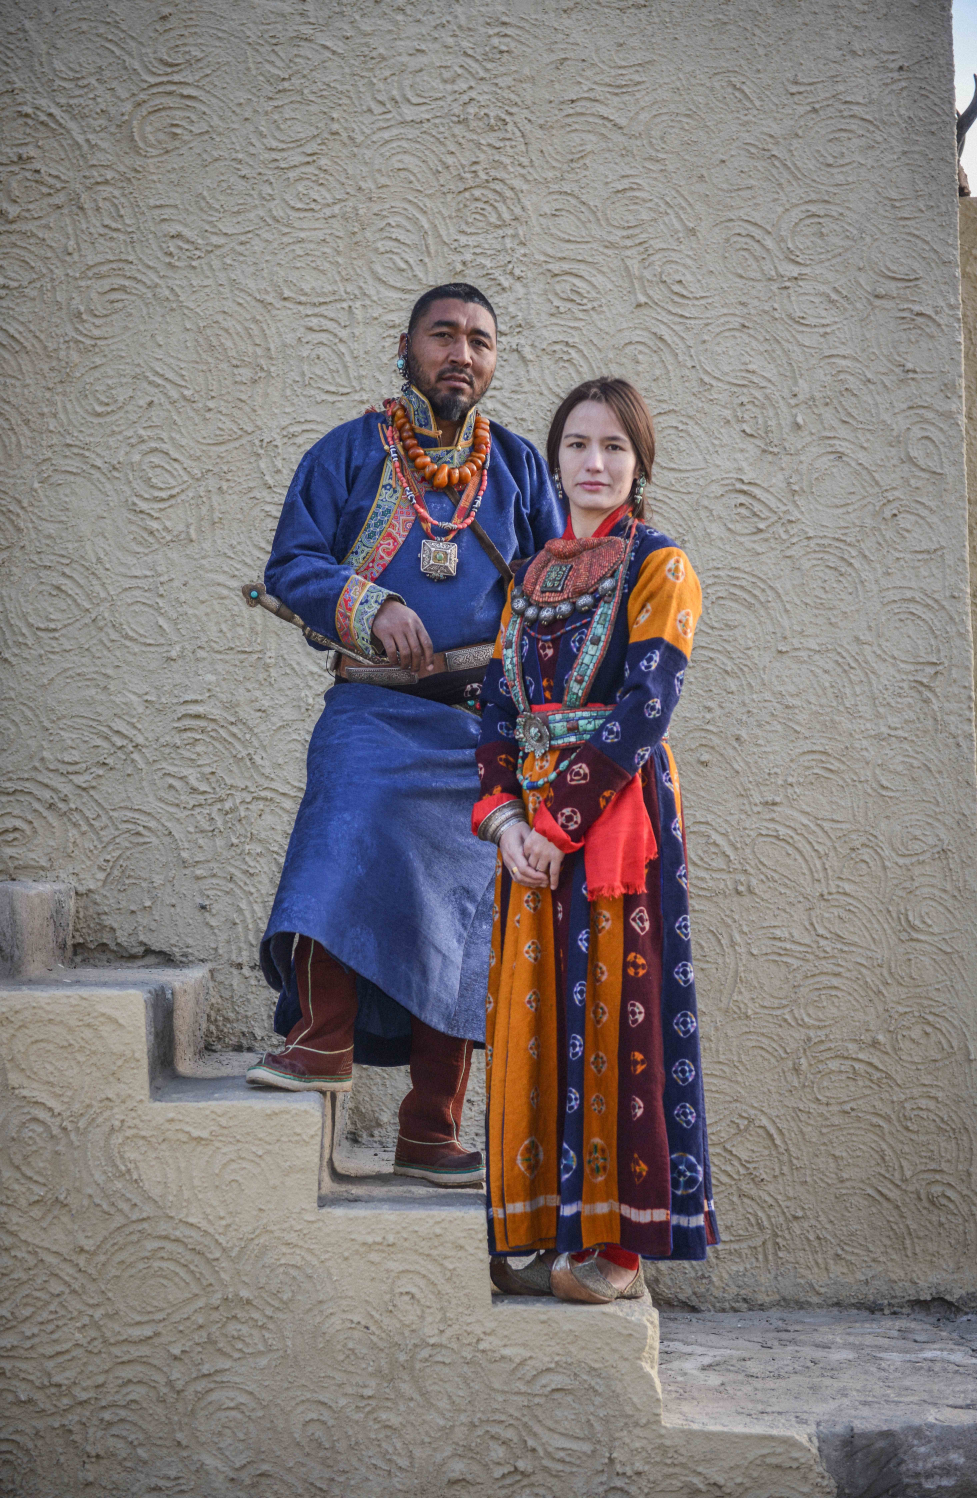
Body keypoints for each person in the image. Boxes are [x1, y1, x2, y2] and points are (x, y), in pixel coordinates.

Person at [247, 283, 563, 1188]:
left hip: (479, 728)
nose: (462, 352)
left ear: (494, 361)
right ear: (405, 347)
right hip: (371, 707)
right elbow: (292, 564)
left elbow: (550, 586)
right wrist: (369, 603)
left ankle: (431, 1129)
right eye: (444, 335)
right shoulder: (347, 451)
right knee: (345, 815)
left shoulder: (518, 470)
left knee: (468, 907)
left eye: (480, 340)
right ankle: (320, 1040)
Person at [472, 377, 718, 1300]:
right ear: (555, 459)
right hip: (527, 837)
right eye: (577, 444)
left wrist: (555, 824)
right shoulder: (531, 575)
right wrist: (502, 822)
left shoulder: (662, 566)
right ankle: (539, 1232)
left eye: (615, 447)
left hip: (613, 829)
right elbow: (495, 711)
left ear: (639, 465)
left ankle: (614, 1250)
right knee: (535, 1022)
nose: (594, 463)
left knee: (617, 1020)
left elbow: (645, 707)